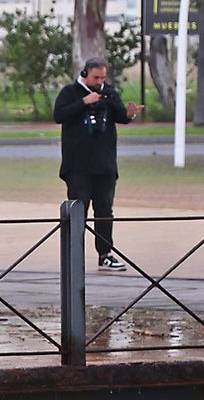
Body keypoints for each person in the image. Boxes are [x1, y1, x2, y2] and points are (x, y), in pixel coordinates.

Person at [53, 57, 143, 271]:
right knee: (78, 210)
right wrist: (85, 102)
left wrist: (129, 114)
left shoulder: (109, 93)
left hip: (105, 164)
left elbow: (120, 115)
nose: (99, 81)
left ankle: (105, 254)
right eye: (96, 77)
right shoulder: (69, 93)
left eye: (103, 77)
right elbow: (59, 115)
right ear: (85, 74)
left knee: (104, 210)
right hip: (78, 166)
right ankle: (74, 255)